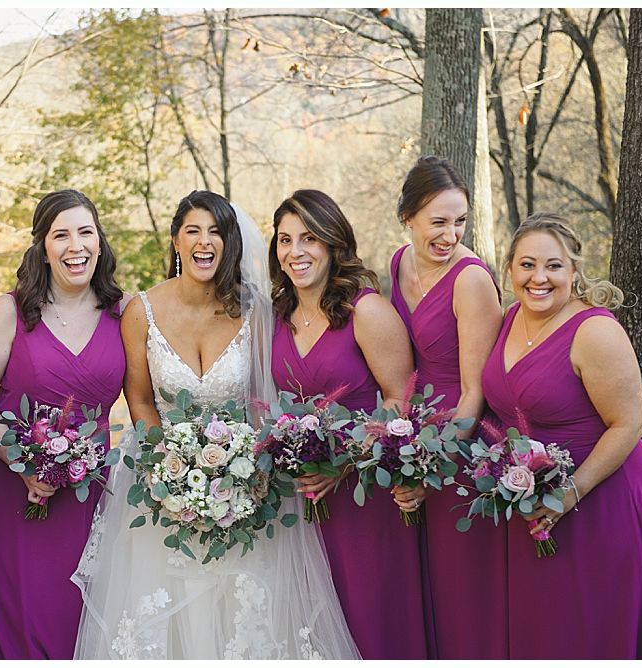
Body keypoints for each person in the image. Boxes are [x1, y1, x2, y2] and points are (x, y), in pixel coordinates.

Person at [72, 190, 360, 660]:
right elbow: (140, 399)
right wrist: (167, 474)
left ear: (230, 243)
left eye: (216, 232)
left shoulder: (256, 311)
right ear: (176, 241)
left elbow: (269, 401)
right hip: (160, 483)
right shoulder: (140, 311)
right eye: (193, 231)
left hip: (249, 486)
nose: (205, 242)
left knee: (246, 617)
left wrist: (246, 473)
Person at [0, 189, 128, 659]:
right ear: (43, 247)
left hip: (91, 489)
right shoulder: (9, 312)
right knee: (22, 615)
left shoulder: (125, 312)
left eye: (85, 233)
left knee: (84, 617)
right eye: (61, 235)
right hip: (11, 487)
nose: (75, 246)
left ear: (100, 242)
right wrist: (23, 462)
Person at [481, 213, 642, 659]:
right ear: (511, 269)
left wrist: (572, 492)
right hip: (533, 503)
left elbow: (629, 424)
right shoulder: (509, 318)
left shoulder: (595, 331)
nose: (539, 278)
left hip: (597, 501)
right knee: (546, 633)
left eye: (554, 266)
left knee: (589, 630)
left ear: (574, 271)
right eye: (527, 265)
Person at [269, 189, 421, 658]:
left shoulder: (367, 311)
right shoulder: (279, 315)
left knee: (368, 623)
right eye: (285, 240)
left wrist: (343, 465)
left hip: (363, 498)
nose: (296, 252)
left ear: (333, 242)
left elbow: (400, 403)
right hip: (302, 502)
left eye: (309, 238)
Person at [387, 156, 505, 659]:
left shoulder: (471, 280)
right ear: (408, 218)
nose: (450, 235)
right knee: (417, 580)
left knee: (460, 585)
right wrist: (398, 445)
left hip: (460, 445)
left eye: (460, 221)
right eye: (438, 221)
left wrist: (429, 461)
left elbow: (476, 393)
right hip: (410, 433)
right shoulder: (397, 262)